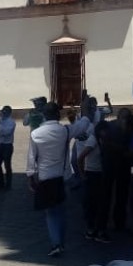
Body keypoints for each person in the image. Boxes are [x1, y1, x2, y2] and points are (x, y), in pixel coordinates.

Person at [26, 102, 90, 257]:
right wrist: (85, 110)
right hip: (62, 176)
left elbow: (31, 157)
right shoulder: (64, 131)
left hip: (45, 177)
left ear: (44, 115)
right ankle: (60, 240)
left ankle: (56, 243)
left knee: (51, 212)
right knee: (60, 209)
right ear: (58, 115)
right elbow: (83, 125)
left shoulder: (36, 133)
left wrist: (30, 177)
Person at [77, 122, 110, 243]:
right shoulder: (93, 140)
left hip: (101, 174)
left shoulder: (103, 139)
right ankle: (92, 229)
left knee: (102, 203)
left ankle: (99, 229)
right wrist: (82, 175)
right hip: (92, 174)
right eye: (105, 131)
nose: (107, 133)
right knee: (92, 203)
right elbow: (80, 158)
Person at [0, 105, 16, 191]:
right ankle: (0, 183)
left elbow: (6, 132)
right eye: (2, 111)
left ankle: (8, 185)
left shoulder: (12, 122)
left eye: (5, 112)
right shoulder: (0, 120)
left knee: (7, 165)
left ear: (9, 113)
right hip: (0, 144)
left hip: (7, 145)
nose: (2, 113)